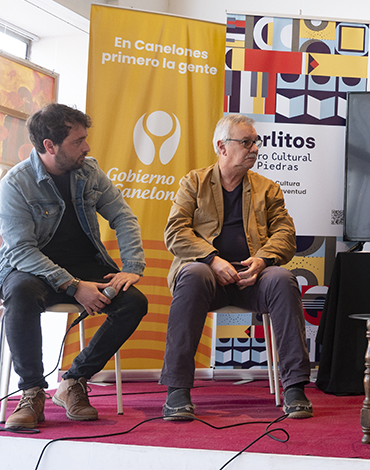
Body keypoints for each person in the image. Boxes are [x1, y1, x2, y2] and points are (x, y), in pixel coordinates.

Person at [0, 104, 149, 430]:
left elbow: (122, 216)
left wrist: (132, 266)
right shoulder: (15, 184)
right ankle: (32, 391)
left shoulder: (89, 171)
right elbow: (22, 251)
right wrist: (74, 286)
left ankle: (73, 381)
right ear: (49, 146)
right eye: (78, 141)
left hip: (85, 264)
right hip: (32, 269)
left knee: (134, 302)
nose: (87, 147)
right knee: (20, 293)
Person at [159, 114, 312, 420]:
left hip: (253, 278)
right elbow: (175, 232)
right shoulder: (194, 182)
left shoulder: (268, 188)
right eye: (246, 142)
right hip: (207, 277)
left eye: (256, 142)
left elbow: (285, 234)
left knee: (282, 279)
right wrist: (212, 259)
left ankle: (295, 387)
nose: (254, 148)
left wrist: (263, 260)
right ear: (222, 147)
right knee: (192, 274)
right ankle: (177, 390)